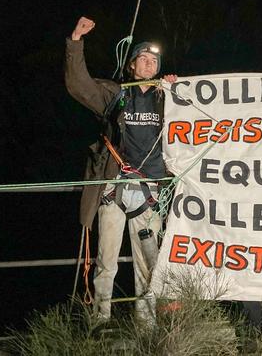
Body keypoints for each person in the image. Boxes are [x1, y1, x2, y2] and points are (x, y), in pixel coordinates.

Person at [65, 16, 177, 323]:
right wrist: (75, 41)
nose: (149, 63)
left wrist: (181, 92)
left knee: (148, 265)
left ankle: (147, 324)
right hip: (114, 190)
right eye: (143, 59)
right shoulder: (116, 95)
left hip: (150, 194)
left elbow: (203, 116)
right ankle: (100, 320)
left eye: (154, 60)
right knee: (106, 261)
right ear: (131, 66)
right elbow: (79, 85)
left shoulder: (167, 99)